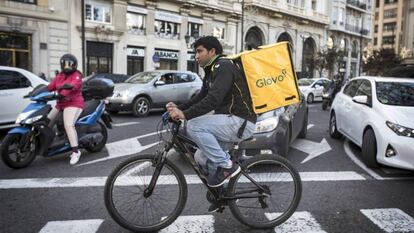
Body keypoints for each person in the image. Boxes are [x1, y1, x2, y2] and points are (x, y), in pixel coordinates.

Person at [166, 36, 256, 189]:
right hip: (231, 121)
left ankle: (227, 166)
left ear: (212, 51)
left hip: (240, 121)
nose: (196, 56)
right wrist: (180, 108)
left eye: (200, 51)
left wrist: (185, 115)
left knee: (194, 125)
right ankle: (222, 193)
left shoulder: (223, 66)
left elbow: (213, 100)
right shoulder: (212, 70)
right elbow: (202, 96)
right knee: (201, 156)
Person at [47, 54, 84, 165]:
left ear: (74, 65)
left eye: (69, 64)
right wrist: (37, 92)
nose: (67, 66)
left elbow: (73, 85)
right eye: (65, 64)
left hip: (73, 103)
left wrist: (63, 92)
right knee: (47, 121)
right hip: (61, 103)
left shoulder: (77, 75)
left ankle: (75, 152)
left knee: (68, 125)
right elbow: (50, 86)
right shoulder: (60, 76)